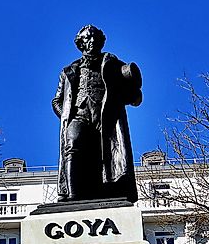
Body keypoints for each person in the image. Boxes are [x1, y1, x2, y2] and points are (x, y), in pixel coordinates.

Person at [52, 25, 143, 204]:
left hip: (105, 117)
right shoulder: (68, 71)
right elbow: (56, 100)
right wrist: (66, 117)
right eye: (87, 38)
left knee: (104, 154)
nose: (91, 40)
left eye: (95, 37)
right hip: (78, 115)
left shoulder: (113, 64)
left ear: (101, 41)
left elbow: (135, 97)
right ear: (81, 44)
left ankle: (109, 190)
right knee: (72, 144)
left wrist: (129, 87)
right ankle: (72, 195)